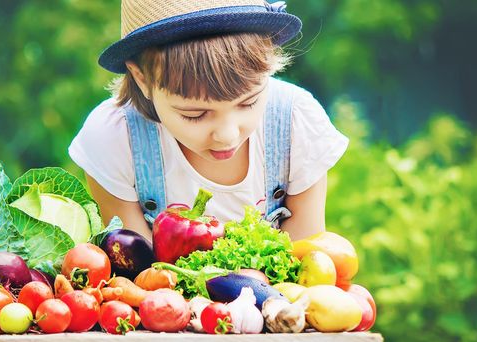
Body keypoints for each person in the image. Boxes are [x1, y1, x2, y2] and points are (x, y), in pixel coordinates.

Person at [69, 0, 349, 242]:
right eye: (195, 114)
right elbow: (136, 278)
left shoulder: (295, 122)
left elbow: (307, 260)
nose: (227, 135)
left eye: (248, 102)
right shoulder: (115, 140)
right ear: (142, 78)